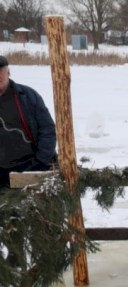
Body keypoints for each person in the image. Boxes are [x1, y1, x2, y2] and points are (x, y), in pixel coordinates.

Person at [0, 55, 57, 267]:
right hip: (2, 171)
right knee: (9, 216)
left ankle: (48, 259)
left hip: (31, 166)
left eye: (1, 72)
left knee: (40, 216)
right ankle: (15, 258)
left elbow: (47, 129)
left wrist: (41, 161)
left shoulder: (27, 96)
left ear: (8, 72)